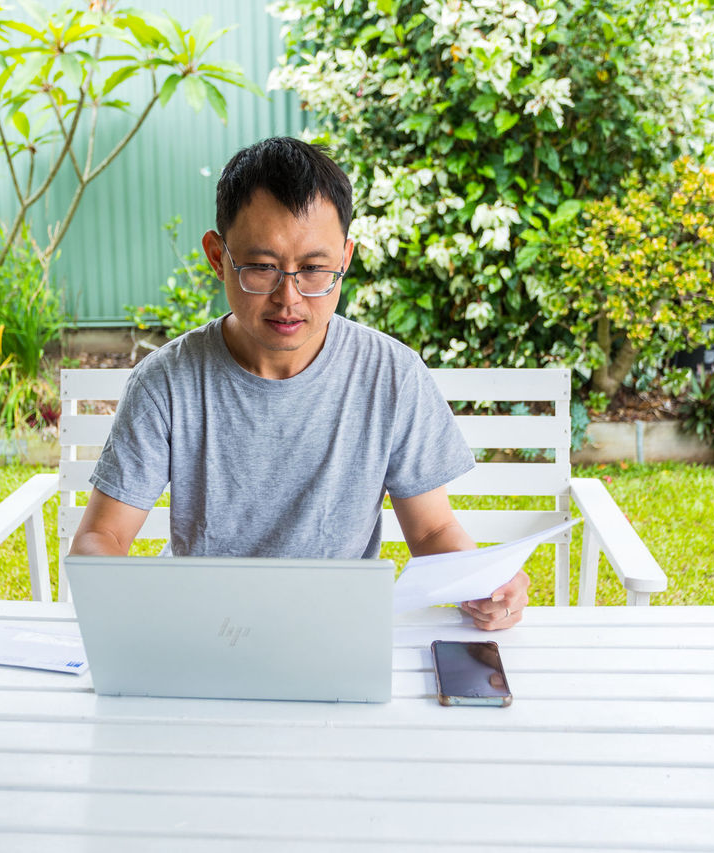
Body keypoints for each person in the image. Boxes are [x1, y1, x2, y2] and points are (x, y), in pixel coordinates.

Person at [69, 136, 529, 630]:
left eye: (313, 269)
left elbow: (434, 529)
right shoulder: (167, 382)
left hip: (336, 629)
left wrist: (482, 581)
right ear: (217, 256)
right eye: (262, 268)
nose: (288, 298)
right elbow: (103, 537)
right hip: (204, 629)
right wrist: (128, 607)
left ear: (345, 259)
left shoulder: (390, 375)